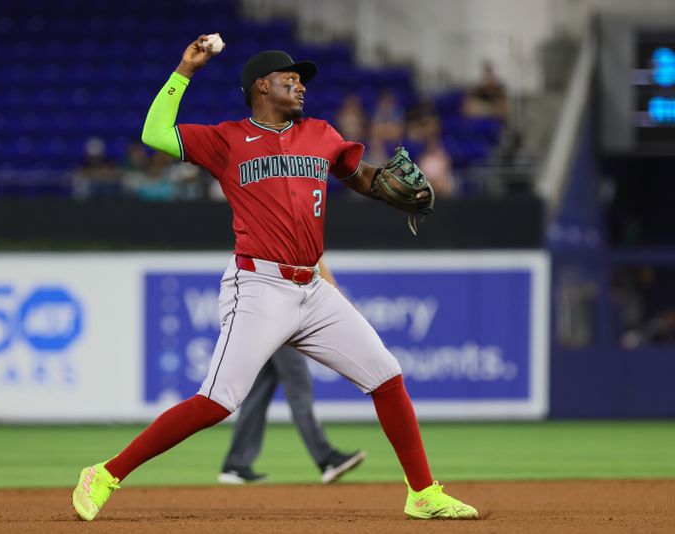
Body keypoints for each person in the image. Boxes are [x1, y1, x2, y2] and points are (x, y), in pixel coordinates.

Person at [71, 35, 478, 522]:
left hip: (311, 288)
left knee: (387, 378)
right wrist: (185, 69)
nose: (301, 85)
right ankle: (106, 473)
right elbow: (156, 133)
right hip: (259, 287)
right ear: (263, 85)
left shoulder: (322, 134)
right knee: (217, 402)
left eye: (302, 79)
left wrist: (390, 190)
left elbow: (363, 175)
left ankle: (423, 492)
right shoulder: (226, 140)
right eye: (291, 78)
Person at [219, 259, 366, 486]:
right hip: (280, 308)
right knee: (298, 384)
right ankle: (326, 458)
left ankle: (235, 464)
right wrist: (341, 301)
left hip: (266, 306)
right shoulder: (296, 229)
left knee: (261, 386)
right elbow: (313, 262)